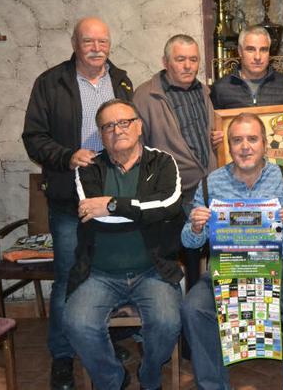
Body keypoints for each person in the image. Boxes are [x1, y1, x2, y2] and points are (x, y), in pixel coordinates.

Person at [22, 16, 133, 390]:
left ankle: (103, 344)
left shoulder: (122, 80)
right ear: (75, 43)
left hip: (113, 195)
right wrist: (67, 155)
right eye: (89, 41)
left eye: (103, 41)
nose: (97, 47)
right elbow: (33, 137)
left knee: (111, 274)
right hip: (70, 200)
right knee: (70, 278)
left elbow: (131, 129)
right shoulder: (50, 82)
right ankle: (63, 356)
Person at [180, 113, 283, 389]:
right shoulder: (210, 183)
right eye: (237, 140)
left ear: (265, 144)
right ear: (228, 146)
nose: (245, 146)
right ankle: (212, 385)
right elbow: (189, 242)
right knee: (193, 307)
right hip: (227, 269)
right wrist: (196, 228)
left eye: (252, 139)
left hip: (280, 267)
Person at [62, 99, 182, 390]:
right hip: (99, 273)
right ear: (101, 134)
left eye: (124, 122)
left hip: (152, 271)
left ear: (139, 126)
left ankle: (150, 375)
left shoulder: (163, 162)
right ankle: (113, 379)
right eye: (108, 126)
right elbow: (93, 215)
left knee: (168, 323)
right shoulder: (88, 168)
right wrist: (142, 212)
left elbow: (169, 206)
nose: (117, 130)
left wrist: (113, 205)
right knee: (76, 324)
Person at [132, 34, 223, 287]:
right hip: (172, 198)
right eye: (180, 59)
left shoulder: (205, 91)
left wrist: (219, 137)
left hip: (207, 192)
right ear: (165, 61)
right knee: (177, 258)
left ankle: (204, 310)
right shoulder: (145, 96)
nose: (188, 66)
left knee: (210, 256)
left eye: (193, 59)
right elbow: (137, 151)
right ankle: (179, 314)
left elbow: (210, 134)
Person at [210, 25, 283, 109]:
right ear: (240, 51)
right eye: (251, 49)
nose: (257, 57)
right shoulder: (221, 88)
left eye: (263, 50)